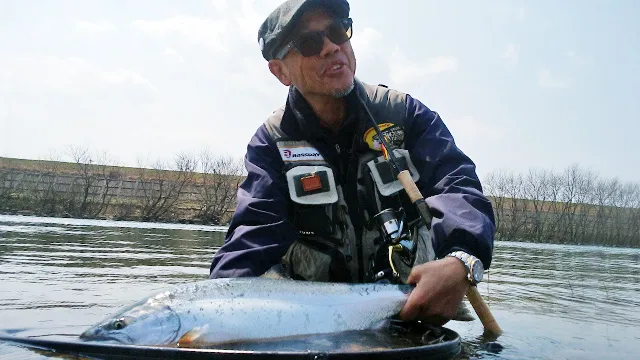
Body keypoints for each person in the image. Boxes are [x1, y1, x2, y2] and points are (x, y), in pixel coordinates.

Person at [209, 0, 495, 326]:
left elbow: (456, 185)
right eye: (309, 43)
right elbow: (254, 236)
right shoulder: (271, 142)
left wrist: (462, 259)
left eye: (337, 31)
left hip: (411, 316)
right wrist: (218, 309)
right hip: (316, 325)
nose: (331, 47)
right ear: (280, 71)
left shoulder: (406, 114)